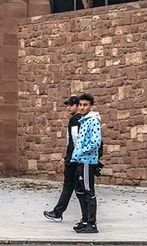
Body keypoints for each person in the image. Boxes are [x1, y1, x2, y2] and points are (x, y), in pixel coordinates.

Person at [43, 95, 81, 222]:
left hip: (74, 160)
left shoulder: (75, 120)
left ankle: (59, 213)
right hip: (75, 159)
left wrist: (69, 158)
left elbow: (75, 142)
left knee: (71, 187)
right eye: (68, 105)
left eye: (71, 105)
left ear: (77, 106)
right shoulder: (80, 119)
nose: (68, 107)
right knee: (78, 188)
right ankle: (87, 216)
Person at [71, 93, 102, 234]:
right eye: (81, 105)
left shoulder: (93, 120)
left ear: (91, 106)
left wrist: (81, 151)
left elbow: (95, 142)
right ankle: (84, 220)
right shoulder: (83, 120)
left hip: (87, 161)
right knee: (80, 190)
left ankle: (91, 223)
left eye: (85, 105)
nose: (82, 107)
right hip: (80, 161)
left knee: (89, 191)